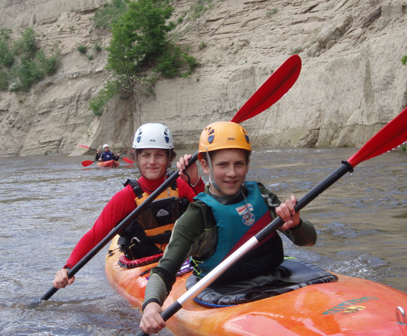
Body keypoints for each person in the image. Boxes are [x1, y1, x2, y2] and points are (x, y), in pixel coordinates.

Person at [139, 121, 317, 334]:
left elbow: (308, 241)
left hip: (276, 280)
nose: (232, 173)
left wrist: (296, 224)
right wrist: (151, 305)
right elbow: (165, 270)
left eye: (239, 164)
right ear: (206, 166)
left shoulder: (261, 195)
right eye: (223, 165)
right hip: (224, 294)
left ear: (248, 164)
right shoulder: (196, 216)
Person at [53, 123, 205, 289]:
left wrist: (195, 181)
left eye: (159, 155)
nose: (152, 162)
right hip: (145, 263)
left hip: (182, 259)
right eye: (146, 155)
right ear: (136, 158)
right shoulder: (125, 197)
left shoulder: (180, 185)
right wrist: (69, 268)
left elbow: (211, 214)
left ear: (169, 159)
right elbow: (96, 235)